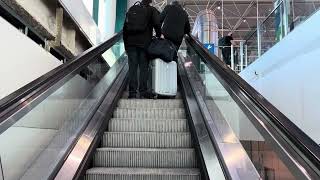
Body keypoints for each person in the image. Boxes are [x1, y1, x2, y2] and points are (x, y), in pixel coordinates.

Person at [123, 0, 161, 99]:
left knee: (133, 68)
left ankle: (132, 93)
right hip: (144, 44)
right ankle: (143, 91)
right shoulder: (151, 10)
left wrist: (126, 46)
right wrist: (158, 36)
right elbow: (157, 24)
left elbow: (125, 29)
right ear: (150, 1)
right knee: (143, 68)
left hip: (131, 44)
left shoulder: (132, 9)